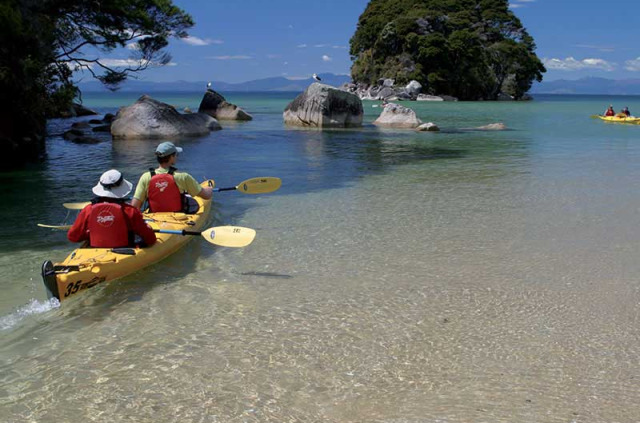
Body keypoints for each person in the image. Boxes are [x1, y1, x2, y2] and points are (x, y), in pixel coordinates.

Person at [67, 170, 157, 248]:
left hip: (94, 250)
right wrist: (148, 228)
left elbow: (73, 237)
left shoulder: (88, 210)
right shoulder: (130, 211)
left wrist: (91, 232)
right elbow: (150, 239)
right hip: (124, 250)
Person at [130, 142, 213, 212]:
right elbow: (206, 196)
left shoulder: (146, 177)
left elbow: (134, 206)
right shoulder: (183, 177)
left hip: (153, 219)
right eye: (176, 154)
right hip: (177, 218)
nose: (177, 157)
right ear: (171, 157)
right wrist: (210, 188)